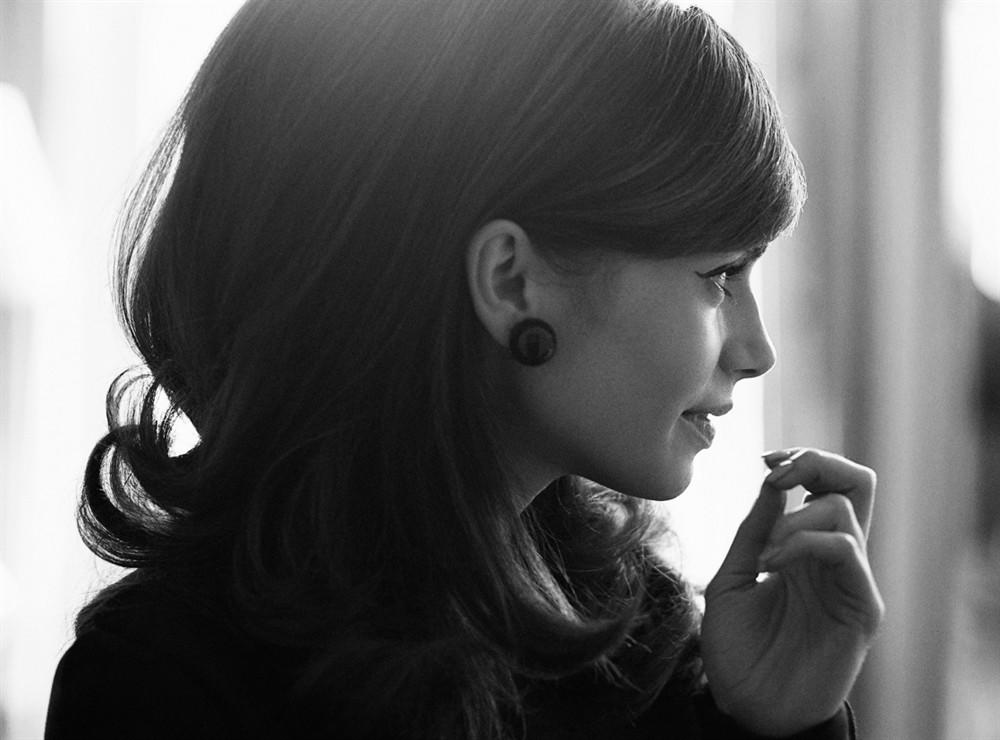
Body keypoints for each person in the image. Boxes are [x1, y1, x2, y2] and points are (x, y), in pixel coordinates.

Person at [44, 0, 884, 737]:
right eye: (721, 277)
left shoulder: (641, 641)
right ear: (511, 283)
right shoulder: (161, 683)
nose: (758, 352)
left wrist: (775, 725)